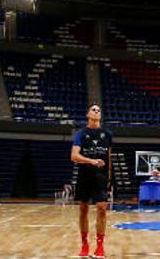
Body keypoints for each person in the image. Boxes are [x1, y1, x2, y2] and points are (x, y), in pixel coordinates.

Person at [71, 104, 113, 258]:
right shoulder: (80, 134)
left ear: (100, 116)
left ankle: (100, 246)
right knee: (83, 209)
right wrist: (92, 161)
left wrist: (109, 176)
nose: (96, 111)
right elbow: (74, 156)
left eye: (98, 110)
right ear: (88, 114)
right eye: (93, 110)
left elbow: (108, 157)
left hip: (101, 177)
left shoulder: (107, 134)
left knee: (102, 208)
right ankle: (84, 244)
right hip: (84, 176)